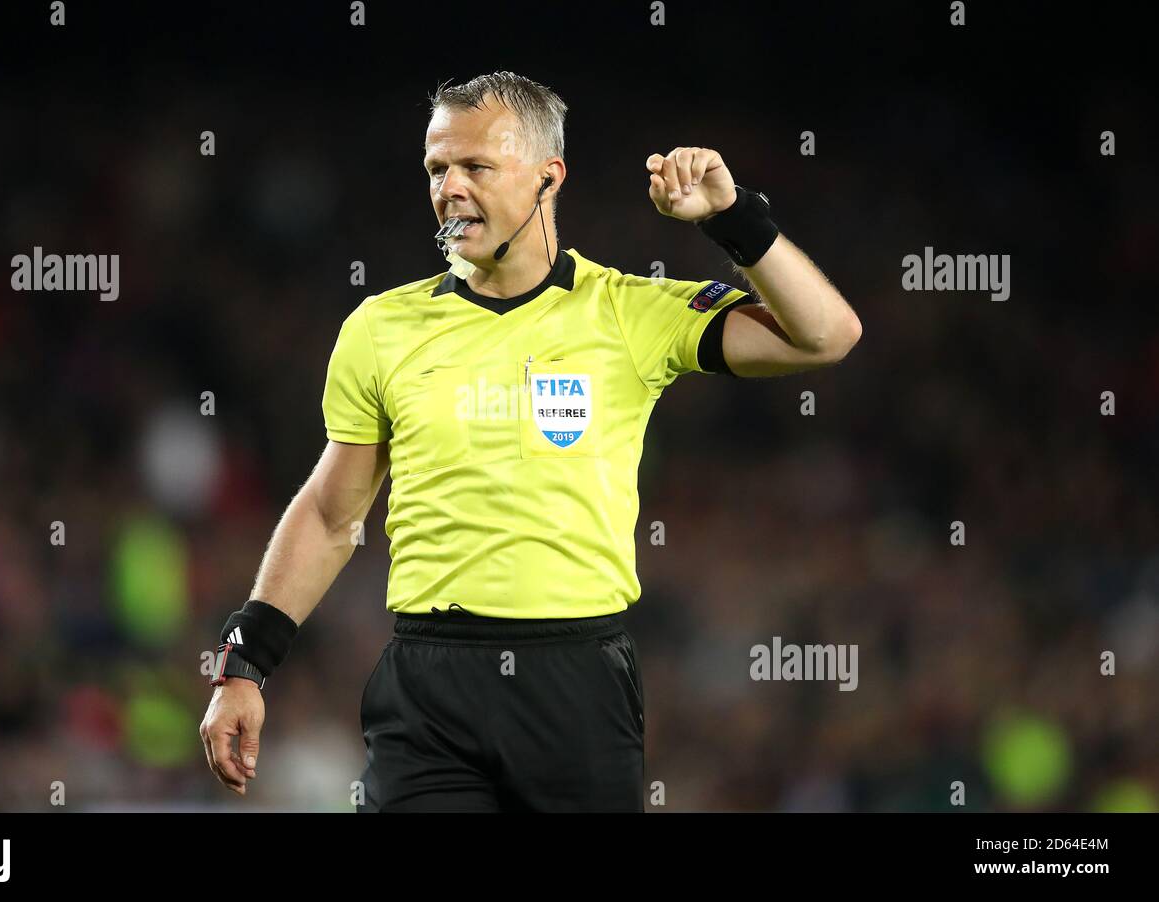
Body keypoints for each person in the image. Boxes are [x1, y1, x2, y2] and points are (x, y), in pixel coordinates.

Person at [199, 71, 861, 811]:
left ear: (549, 177)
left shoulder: (629, 312)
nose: (449, 187)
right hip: (428, 687)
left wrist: (732, 217)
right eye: (436, 169)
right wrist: (245, 664)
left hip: (577, 685)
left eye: (475, 166)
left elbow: (827, 335)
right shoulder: (381, 329)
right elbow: (330, 514)